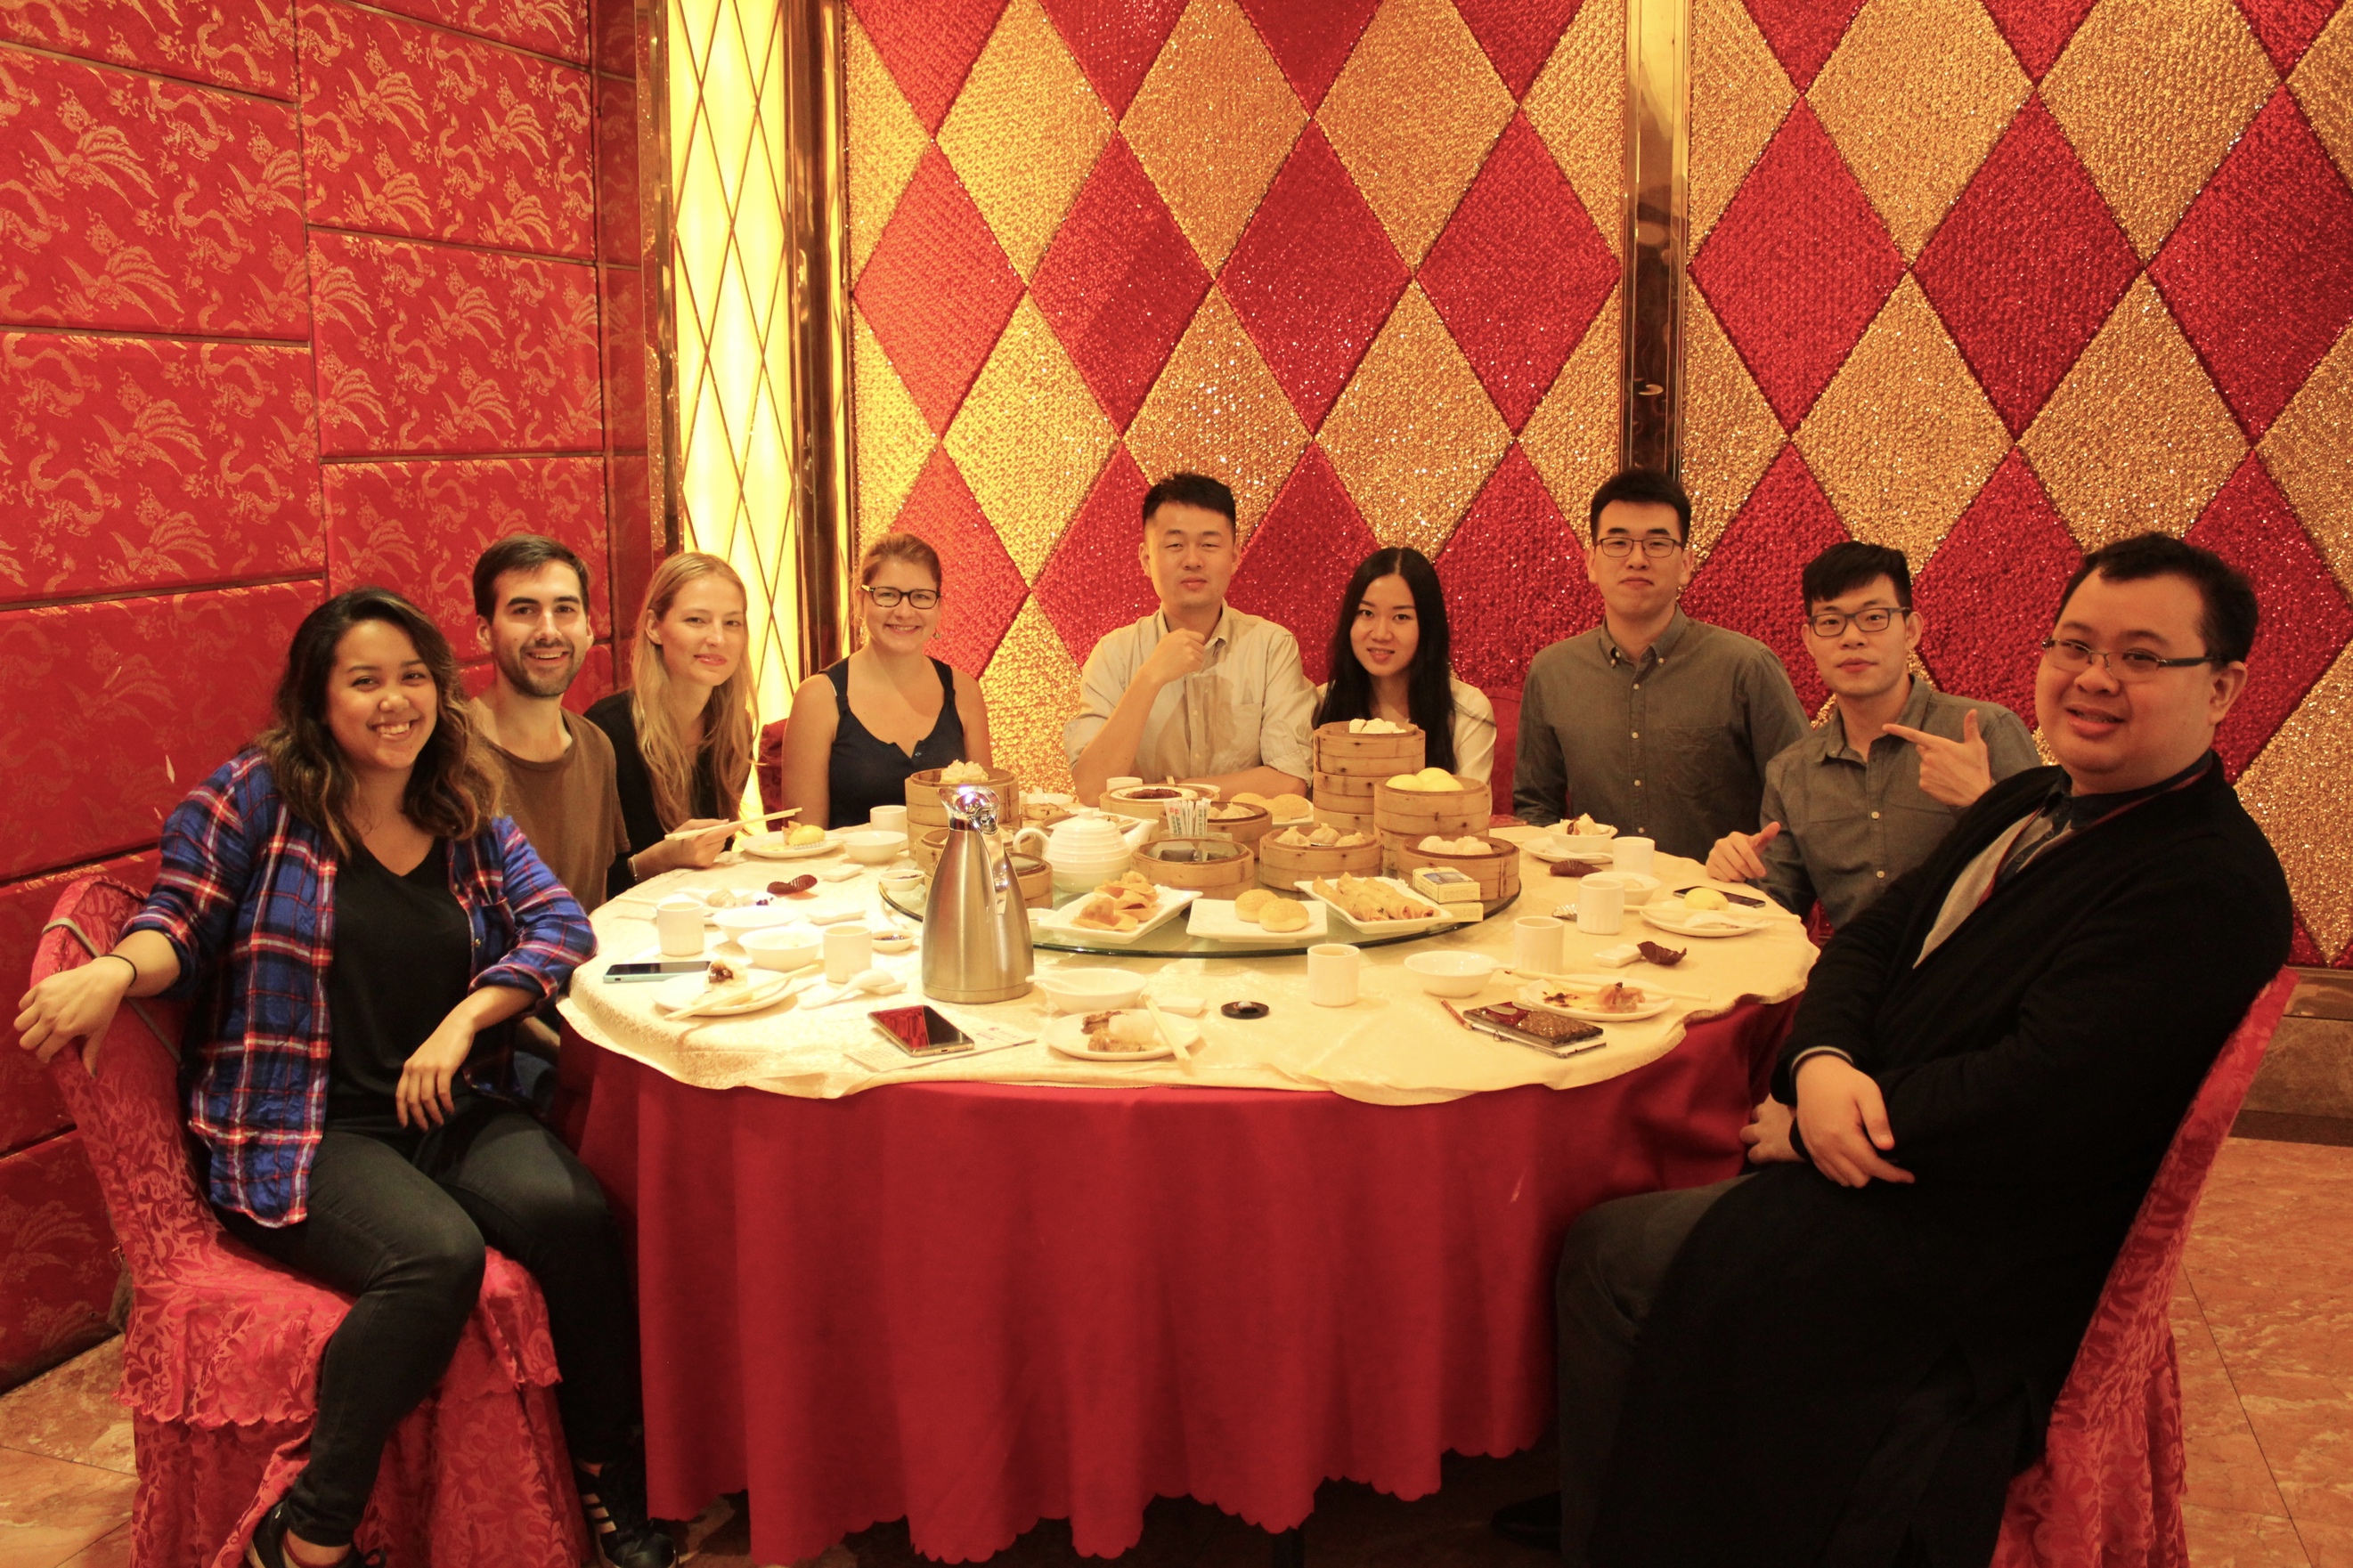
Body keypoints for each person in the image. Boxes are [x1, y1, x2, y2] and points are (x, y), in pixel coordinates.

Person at [1494, 534, 2290, 1568]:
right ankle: (1647, 1479)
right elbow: (1867, 939)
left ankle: (1628, 1529)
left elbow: (2042, 1090)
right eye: (2075, 645)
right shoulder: (2029, 801)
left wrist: (1831, 1125)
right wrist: (1818, 1066)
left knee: (1609, 1253)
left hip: (1977, 1237)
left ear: (2221, 685)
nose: (2094, 679)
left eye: (2141, 657)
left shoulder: (2204, 879)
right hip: (1899, 1145)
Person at [12, 589, 675, 1568]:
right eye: (364, 681)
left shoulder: (459, 803)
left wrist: (464, 1019)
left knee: (575, 1215)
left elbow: (557, 927)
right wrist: (114, 969)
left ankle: (602, 1471)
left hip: (444, 1107)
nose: (395, 701)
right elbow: (179, 922)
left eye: (413, 677)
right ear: (318, 699)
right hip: (302, 1126)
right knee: (433, 1258)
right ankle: (311, 1530)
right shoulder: (256, 796)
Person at [1705, 541, 2040, 930]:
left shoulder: (1984, 732)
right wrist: (1733, 876)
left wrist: (1981, 804)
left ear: (1911, 630)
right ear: (1809, 639)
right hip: (1862, 981)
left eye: (1874, 617)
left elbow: (2049, 880)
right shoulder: (1793, 772)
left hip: (1978, 978)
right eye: (1830, 622)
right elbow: (1776, 910)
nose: (1852, 638)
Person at [1512, 468, 1809, 859]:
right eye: (1617, 542)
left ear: (1686, 563)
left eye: (1657, 543)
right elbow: (1536, 807)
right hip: (1595, 905)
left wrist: (1763, 895)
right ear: (1591, 563)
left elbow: (1803, 803)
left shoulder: (1746, 668)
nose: (1637, 559)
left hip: (1718, 907)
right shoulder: (1553, 672)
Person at [1065, 472, 1315, 805]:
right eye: (1174, 545)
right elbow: (1092, 789)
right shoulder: (1114, 654)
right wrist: (1150, 678)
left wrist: (1176, 790)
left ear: (1235, 555)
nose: (1193, 560)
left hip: (1244, 847)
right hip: (1140, 851)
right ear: (1146, 559)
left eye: (1209, 544)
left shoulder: (1271, 647)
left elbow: (1289, 782)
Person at [779, 531, 994, 829]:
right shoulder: (819, 697)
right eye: (887, 595)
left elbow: (984, 819)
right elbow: (805, 838)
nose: (904, 612)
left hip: (946, 871)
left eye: (921, 597)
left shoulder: (964, 691)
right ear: (860, 601)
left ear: (939, 606)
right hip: (845, 875)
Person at [466, 534, 631, 914]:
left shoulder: (596, 747)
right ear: (484, 631)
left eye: (565, 610)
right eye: (524, 610)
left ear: (589, 629)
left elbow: (595, 905)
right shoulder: (450, 753)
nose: (548, 631)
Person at [586, 551, 754, 890]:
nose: (718, 638)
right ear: (653, 627)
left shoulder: (735, 727)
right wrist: (660, 859)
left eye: (732, 623)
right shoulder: (606, 733)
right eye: (696, 620)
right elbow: (585, 886)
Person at [1311, 546, 1497, 784]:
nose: (1380, 633)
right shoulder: (1321, 705)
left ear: (1428, 626)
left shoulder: (1467, 710)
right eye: (1367, 613)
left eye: (1401, 617)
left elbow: (1470, 815)